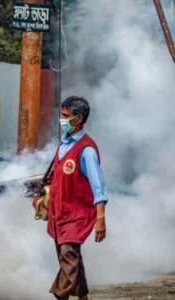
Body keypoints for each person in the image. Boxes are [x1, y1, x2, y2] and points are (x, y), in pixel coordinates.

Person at [47, 96, 108, 300]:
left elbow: (98, 186)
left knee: (68, 256)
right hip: (60, 212)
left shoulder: (87, 150)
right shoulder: (63, 143)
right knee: (71, 258)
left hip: (77, 214)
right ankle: (82, 297)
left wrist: (100, 218)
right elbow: (57, 176)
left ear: (78, 119)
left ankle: (59, 295)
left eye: (65, 116)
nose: (61, 119)